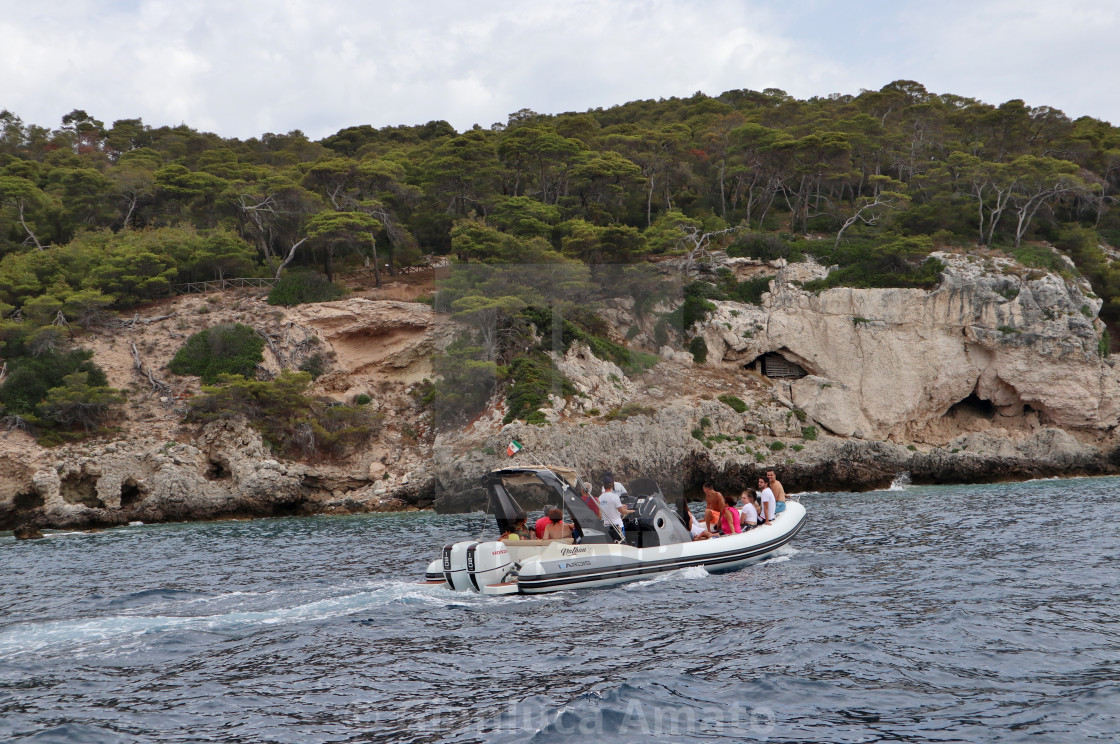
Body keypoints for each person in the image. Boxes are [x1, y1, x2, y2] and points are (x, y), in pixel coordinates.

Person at [598, 474, 631, 541]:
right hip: (618, 525)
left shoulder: (600, 498)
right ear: (612, 484)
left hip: (607, 526)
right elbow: (622, 511)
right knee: (621, 544)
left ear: (603, 486)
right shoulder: (615, 496)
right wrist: (631, 511)